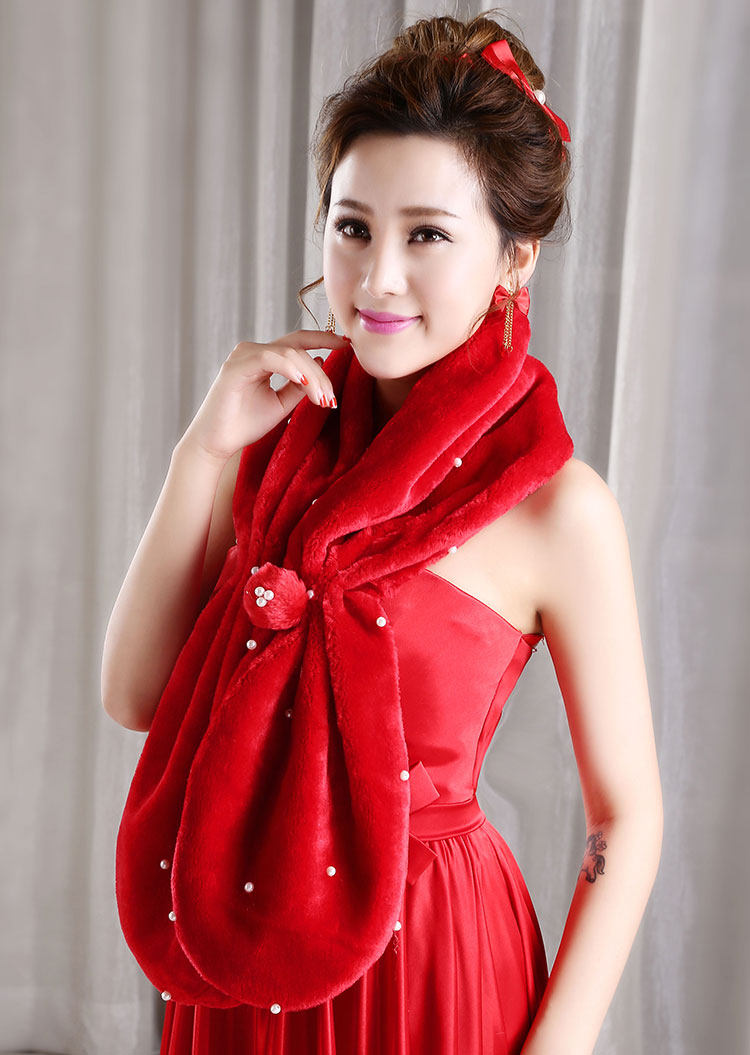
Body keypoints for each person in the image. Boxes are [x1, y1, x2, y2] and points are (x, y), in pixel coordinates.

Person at [102, 11, 663, 1055]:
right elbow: (137, 695)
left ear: (517, 257)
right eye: (352, 226)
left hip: (433, 956)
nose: (378, 277)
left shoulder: (558, 509)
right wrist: (201, 453)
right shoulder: (274, 445)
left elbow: (624, 818)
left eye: (428, 234)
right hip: (246, 937)